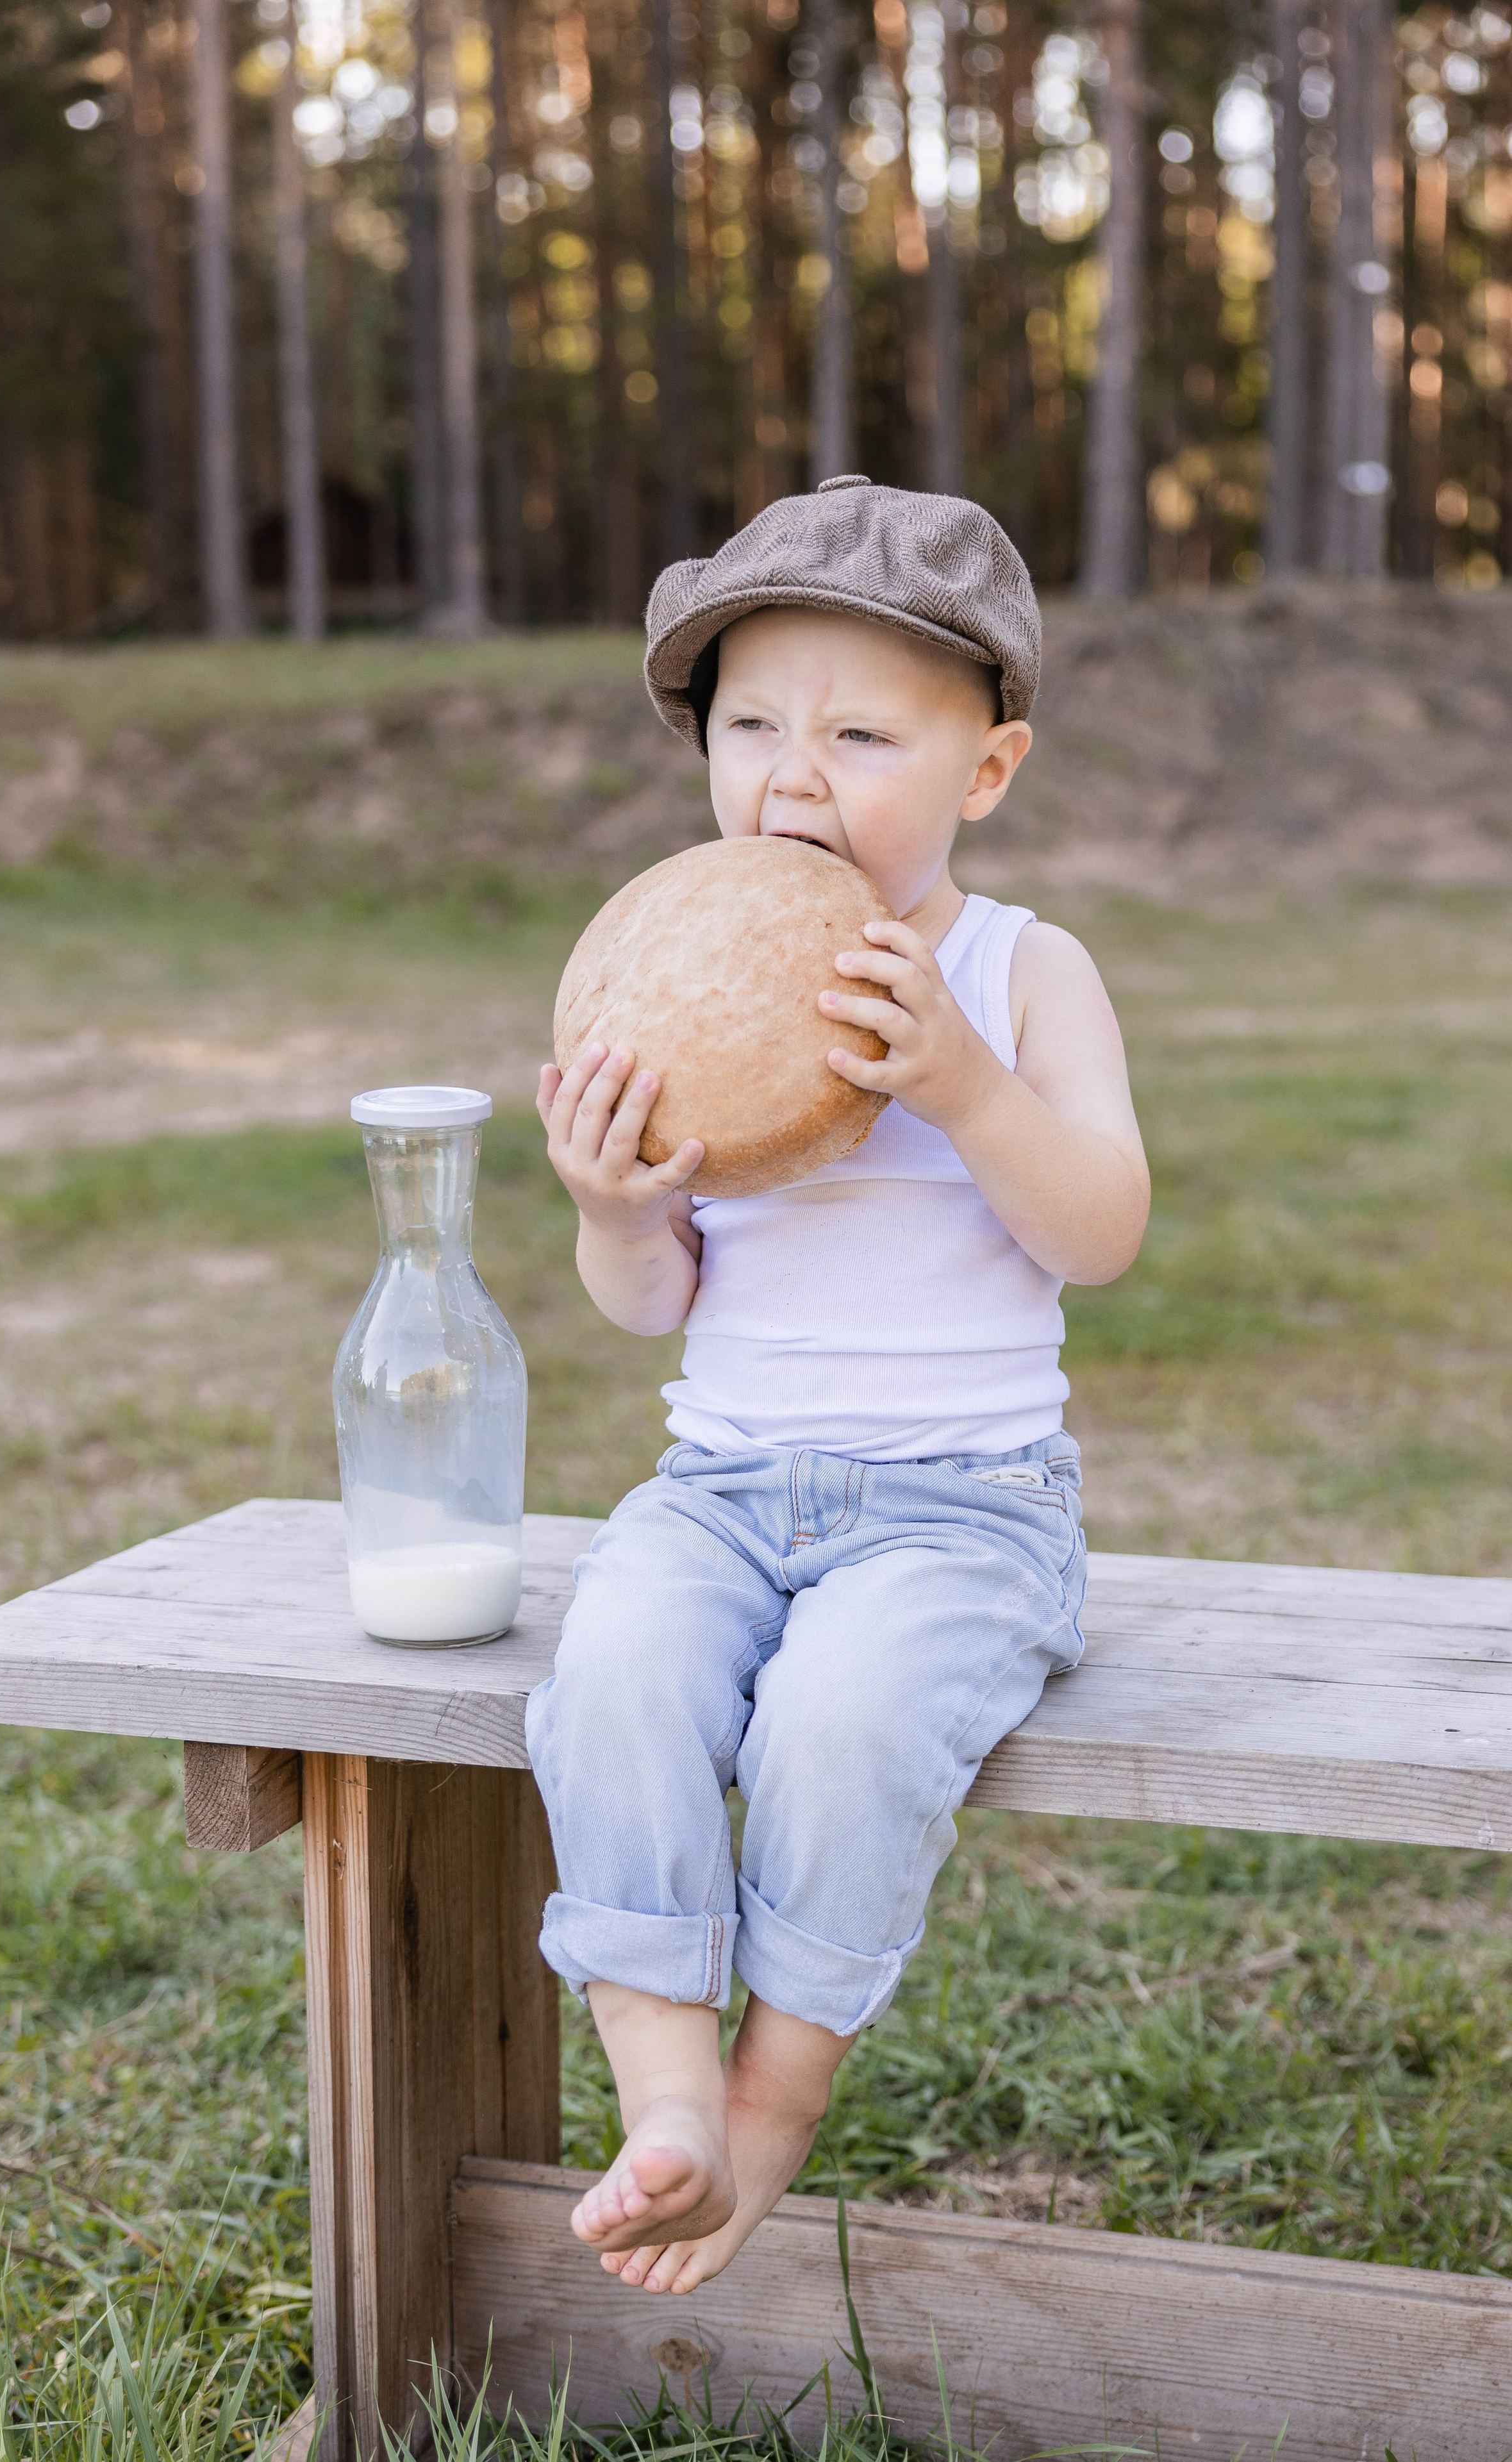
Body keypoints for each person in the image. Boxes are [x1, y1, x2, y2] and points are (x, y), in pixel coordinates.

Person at [528, 475, 1149, 2299]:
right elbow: (651, 1305)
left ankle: (776, 2091)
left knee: (844, 1719)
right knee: (614, 1668)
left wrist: (964, 1086)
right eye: (751, 728)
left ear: (988, 768)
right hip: (721, 1491)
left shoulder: (1021, 973)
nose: (794, 779)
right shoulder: (678, 983)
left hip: (965, 1513)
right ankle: (664, 2090)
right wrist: (614, 1210)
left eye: (862, 735)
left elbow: (1101, 1230)